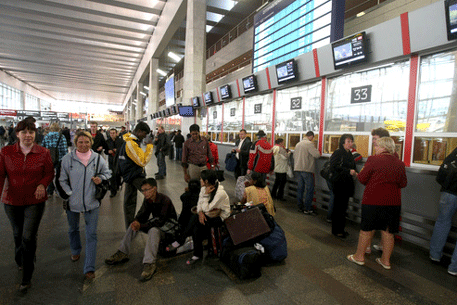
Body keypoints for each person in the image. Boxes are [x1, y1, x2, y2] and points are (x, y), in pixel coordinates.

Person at [0, 118, 54, 292]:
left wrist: (42, 185)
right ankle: (21, 259)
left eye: (31, 132)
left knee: (28, 237)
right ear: (17, 134)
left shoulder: (43, 152)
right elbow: (1, 176)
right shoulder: (6, 152)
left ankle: (27, 276)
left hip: (35, 201)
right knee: (18, 235)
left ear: (35, 133)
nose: (28, 135)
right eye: (24, 132)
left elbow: (49, 173)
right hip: (12, 201)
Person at [347, 137, 407, 269]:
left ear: (384, 147)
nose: (375, 148)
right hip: (393, 202)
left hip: (373, 200)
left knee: (366, 230)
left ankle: (359, 257)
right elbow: (403, 183)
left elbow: (362, 179)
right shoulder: (399, 163)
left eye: (377, 146)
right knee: (388, 232)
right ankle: (385, 261)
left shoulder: (373, 160)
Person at [59, 131, 111, 280]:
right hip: (72, 203)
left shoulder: (97, 158)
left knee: (91, 234)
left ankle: (89, 267)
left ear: (91, 143)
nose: (83, 145)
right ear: (76, 143)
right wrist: (69, 193)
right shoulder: (67, 159)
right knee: (73, 228)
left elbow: (107, 173)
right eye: (80, 142)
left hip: (92, 202)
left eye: (87, 142)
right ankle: (75, 249)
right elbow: (61, 179)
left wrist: (101, 178)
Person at [104, 178, 177, 281]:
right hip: (158, 224)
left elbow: (161, 221)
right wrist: (136, 222)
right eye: (143, 190)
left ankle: (149, 263)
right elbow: (142, 214)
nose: (144, 193)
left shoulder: (165, 200)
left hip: (169, 230)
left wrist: (141, 226)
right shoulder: (148, 200)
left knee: (153, 230)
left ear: (154, 189)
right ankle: (122, 252)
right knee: (133, 225)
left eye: (147, 190)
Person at [187, 170, 230, 265]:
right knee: (196, 222)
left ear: (206, 181)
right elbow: (199, 203)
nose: (200, 180)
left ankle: (195, 252)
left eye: (201, 179)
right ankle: (196, 252)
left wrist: (206, 196)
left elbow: (206, 208)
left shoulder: (220, 193)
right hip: (209, 214)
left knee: (196, 224)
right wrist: (200, 213)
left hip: (220, 217)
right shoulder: (204, 188)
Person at [118, 122, 154, 228]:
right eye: (144, 134)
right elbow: (142, 161)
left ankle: (130, 225)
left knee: (130, 201)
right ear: (139, 131)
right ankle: (140, 220)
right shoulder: (131, 143)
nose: (145, 136)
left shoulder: (131, 141)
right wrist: (150, 146)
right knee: (151, 194)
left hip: (131, 175)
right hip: (134, 176)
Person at [429, 146, 457, 276]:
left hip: (448, 192)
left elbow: (444, 168)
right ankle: (454, 267)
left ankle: (435, 255)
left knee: (442, 222)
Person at [329, 134, 358, 238]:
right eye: (348, 141)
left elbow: (352, 166)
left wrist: (355, 172)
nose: (351, 144)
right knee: (338, 208)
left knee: (343, 208)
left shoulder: (349, 153)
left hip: (347, 184)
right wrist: (348, 171)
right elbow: (333, 167)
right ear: (342, 142)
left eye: (351, 141)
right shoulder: (338, 152)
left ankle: (341, 229)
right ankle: (336, 230)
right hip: (339, 184)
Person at [166, 179, 201, 252]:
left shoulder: (185, 196)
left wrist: (187, 191)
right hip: (191, 225)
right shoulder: (200, 197)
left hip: (182, 222)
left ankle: (179, 241)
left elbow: (182, 197)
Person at [293, 131, 321, 214]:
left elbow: (294, 156)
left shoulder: (298, 144)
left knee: (300, 188)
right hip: (306, 169)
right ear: (311, 136)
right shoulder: (309, 144)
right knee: (309, 188)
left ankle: (300, 205)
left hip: (298, 168)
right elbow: (317, 155)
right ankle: (308, 208)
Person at [41, 122, 68, 196]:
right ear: (58, 129)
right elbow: (64, 149)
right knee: (59, 175)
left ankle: (50, 190)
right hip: (59, 159)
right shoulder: (61, 137)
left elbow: (42, 147)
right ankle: (58, 190)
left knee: (49, 174)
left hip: (48, 159)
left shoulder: (46, 136)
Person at [105, 128, 124, 197]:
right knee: (112, 175)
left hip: (118, 160)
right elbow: (105, 151)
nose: (112, 134)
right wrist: (108, 152)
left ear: (116, 133)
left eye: (113, 133)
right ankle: (113, 191)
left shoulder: (121, 141)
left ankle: (118, 185)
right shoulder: (107, 141)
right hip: (111, 160)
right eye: (111, 133)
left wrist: (117, 150)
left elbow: (123, 149)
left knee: (117, 174)